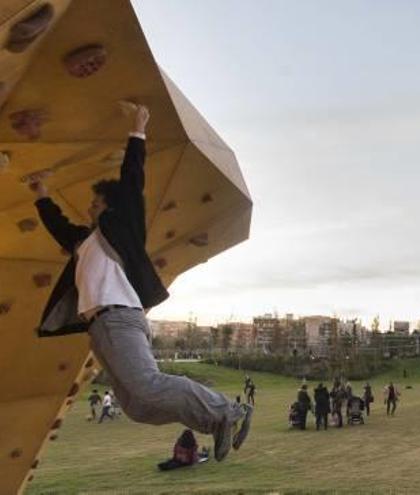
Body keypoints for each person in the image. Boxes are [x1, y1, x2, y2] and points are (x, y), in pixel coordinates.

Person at [27, 103, 252, 462]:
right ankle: (216, 422)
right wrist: (41, 193)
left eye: (96, 202)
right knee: (138, 407)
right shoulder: (84, 242)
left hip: (119, 317)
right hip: (100, 327)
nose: (91, 208)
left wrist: (138, 129)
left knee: (147, 386)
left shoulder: (120, 227)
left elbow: (132, 184)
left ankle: (229, 411)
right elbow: (59, 226)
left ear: (110, 206)